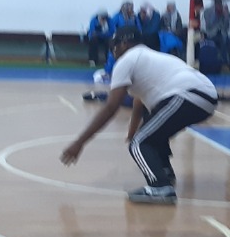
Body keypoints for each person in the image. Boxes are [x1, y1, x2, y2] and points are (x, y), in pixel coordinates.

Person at [60, 26, 218, 205]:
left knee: (140, 143)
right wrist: (132, 130)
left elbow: (111, 107)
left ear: (124, 44)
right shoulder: (148, 56)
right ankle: (164, 172)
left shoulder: (126, 61)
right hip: (206, 95)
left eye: (114, 46)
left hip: (186, 95)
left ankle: (160, 187)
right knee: (151, 133)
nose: (113, 51)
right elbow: (138, 101)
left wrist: (79, 142)